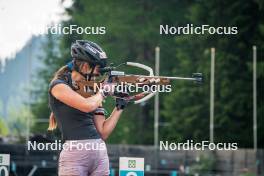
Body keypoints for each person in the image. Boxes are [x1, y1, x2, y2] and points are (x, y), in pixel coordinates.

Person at [47, 40, 128, 176]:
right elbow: (86, 106)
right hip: (75, 154)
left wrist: (120, 105)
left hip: (99, 152)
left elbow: (103, 132)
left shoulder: (92, 90)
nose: (98, 74)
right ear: (85, 66)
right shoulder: (58, 86)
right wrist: (103, 91)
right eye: (97, 69)